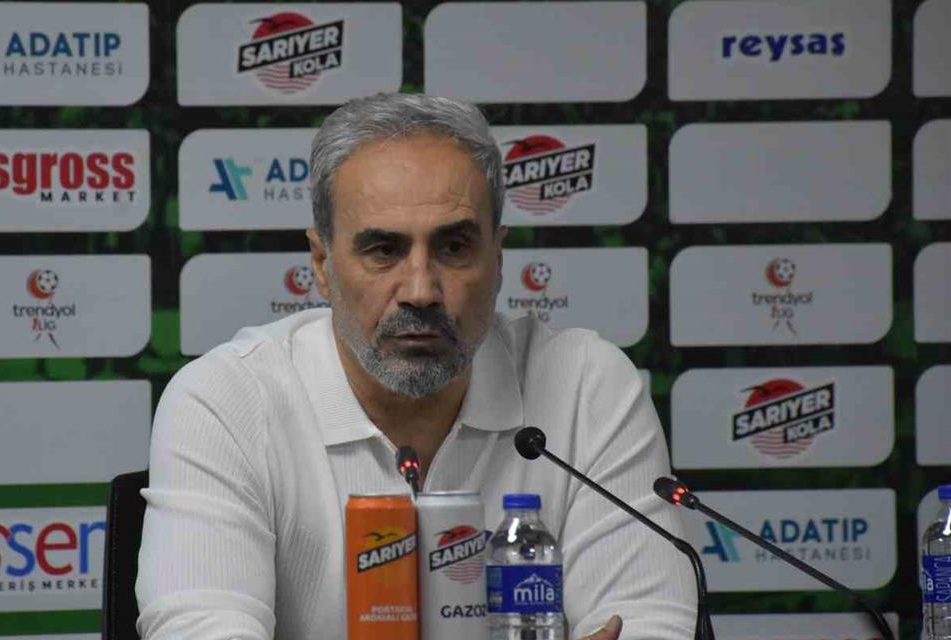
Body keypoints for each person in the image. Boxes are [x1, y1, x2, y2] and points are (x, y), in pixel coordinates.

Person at [136, 93, 696, 640]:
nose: (421, 290)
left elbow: (648, 623)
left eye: (453, 248)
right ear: (322, 264)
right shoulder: (226, 399)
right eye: (384, 251)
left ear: (498, 257)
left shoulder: (587, 385)